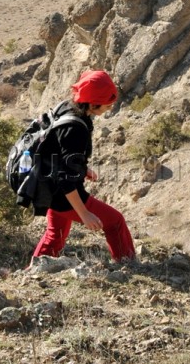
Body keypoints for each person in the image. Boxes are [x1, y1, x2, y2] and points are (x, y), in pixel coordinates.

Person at [31, 69, 135, 263]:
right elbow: (66, 179)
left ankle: (34, 270)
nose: (110, 107)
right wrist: (84, 213)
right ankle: (128, 264)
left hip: (47, 184)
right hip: (62, 192)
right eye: (107, 103)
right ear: (93, 101)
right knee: (114, 222)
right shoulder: (76, 129)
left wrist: (82, 168)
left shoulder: (67, 107)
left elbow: (59, 149)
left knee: (56, 234)